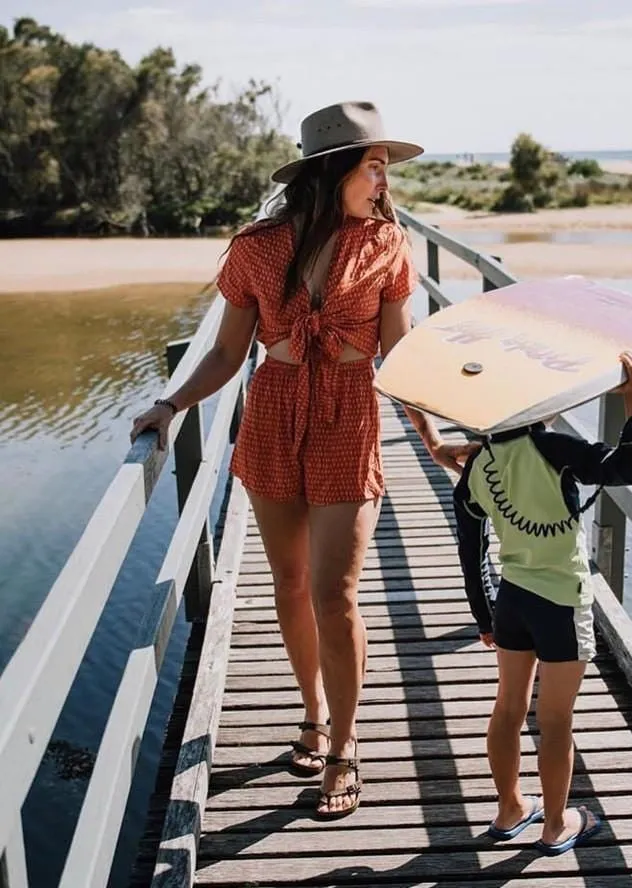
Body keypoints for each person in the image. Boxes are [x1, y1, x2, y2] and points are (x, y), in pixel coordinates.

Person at [130, 101, 475, 820]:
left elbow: (399, 354)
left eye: (383, 166)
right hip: (273, 417)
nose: (383, 179)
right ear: (332, 170)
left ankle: (346, 747)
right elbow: (228, 352)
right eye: (372, 164)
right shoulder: (257, 248)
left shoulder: (387, 245)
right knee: (288, 584)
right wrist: (172, 405)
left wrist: (433, 436)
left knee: (335, 593)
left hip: (349, 417)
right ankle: (312, 714)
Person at [453, 351, 632, 855]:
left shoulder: (478, 464)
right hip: (561, 601)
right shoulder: (552, 447)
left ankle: (509, 810)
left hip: (512, 602)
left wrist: (484, 615)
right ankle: (555, 825)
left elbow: (470, 547)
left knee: (507, 707)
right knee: (556, 719)